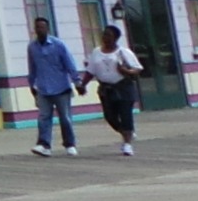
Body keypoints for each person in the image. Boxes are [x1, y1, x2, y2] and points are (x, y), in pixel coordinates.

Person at [84, 23, 145, 156]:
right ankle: (126, 133)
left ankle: (127, 144)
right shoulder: (96, 52)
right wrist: (83, 85)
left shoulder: (123, 52)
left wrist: (125, 71)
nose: (105, 37)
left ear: (115, 38)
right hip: (106, 89)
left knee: (125, 115)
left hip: (123, 87)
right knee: (110, 116)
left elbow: (137, 69)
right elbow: (90, 71)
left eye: (108, 35)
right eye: (104, 35)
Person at [27, 16, 83, 156]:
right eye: (37, 27)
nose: (39, 30)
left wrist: (77, 81)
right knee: (43, 117)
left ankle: (69, 143)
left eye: (42, 27)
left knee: (65, 118)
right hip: (43, 88)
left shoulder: (58, 45)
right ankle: (44, 144)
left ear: (47, 29)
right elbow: (32, 67)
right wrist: (31, 84)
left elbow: (69, 63)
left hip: (61, 87)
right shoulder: (32, 47)